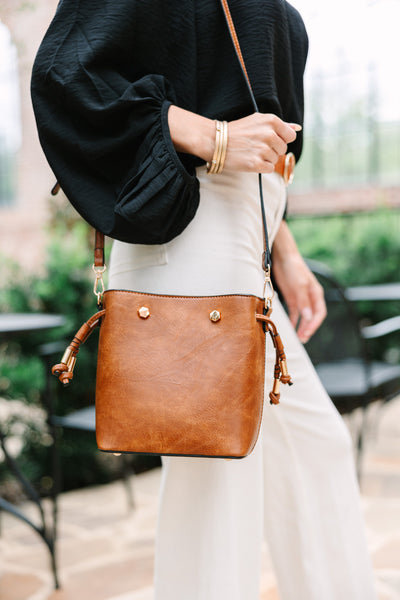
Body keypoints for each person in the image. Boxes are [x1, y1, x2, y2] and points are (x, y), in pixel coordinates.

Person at [31, 1, 377, 598]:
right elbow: (67, 72)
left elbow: (256, 129)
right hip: (191, 223)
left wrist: (284, 251)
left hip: (250, 233)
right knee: (218, 492)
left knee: (313, 449)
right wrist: (209, 135)